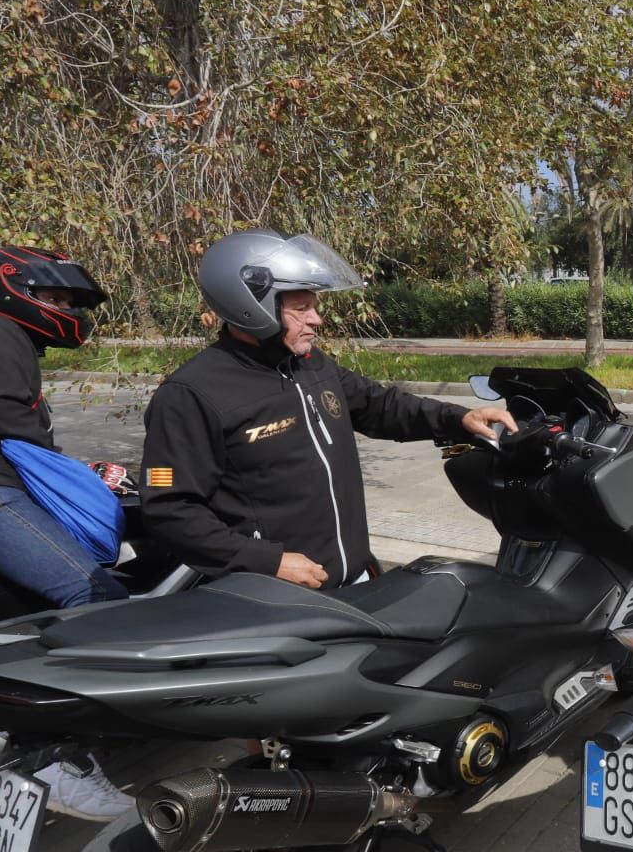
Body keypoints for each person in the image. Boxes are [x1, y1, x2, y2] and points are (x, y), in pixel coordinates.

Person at [141, 230, 516, 589]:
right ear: (250, 305)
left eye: (314, 306)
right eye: (301, 308)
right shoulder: (191, 394)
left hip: (355, 579)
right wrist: (267, 561)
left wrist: (457, 418)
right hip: (277, 597)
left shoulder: (309, 364)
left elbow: (377, 405)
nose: (316, 319)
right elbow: (171, 509)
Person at [0, 246, 133, 820]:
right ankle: (56, 760)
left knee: (22, 605)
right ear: (12, 288)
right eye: (54, 297)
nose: (64, 307)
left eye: (67, 300)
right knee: (95, 596)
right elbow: (11, 422)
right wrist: (87, 475)